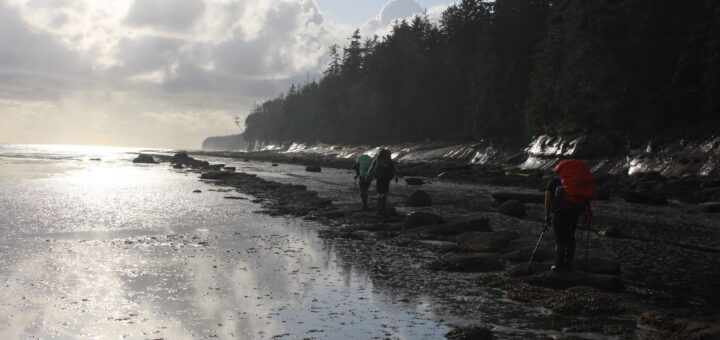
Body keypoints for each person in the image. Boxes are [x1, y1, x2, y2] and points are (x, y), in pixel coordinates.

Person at [544, 159, 595, 272]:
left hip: (560, 213)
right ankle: (569, 264)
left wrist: (547, 216)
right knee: (570, 237)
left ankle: (558, 264)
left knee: (560, 239)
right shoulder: (576, 184)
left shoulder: (554, 183)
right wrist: (588, 213)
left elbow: (548, 200)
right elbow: (585, 199)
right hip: (574, 212)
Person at [368, 148, 399, 216]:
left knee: (379, 193)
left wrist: (368, 174)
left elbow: (371, 167)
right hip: (387, 178)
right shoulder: (389, 160)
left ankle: (379, 210)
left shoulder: (377, 159)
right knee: (385, 193)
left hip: (379, 178)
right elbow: (395, 168)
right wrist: (396, 176)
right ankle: (384, 208)